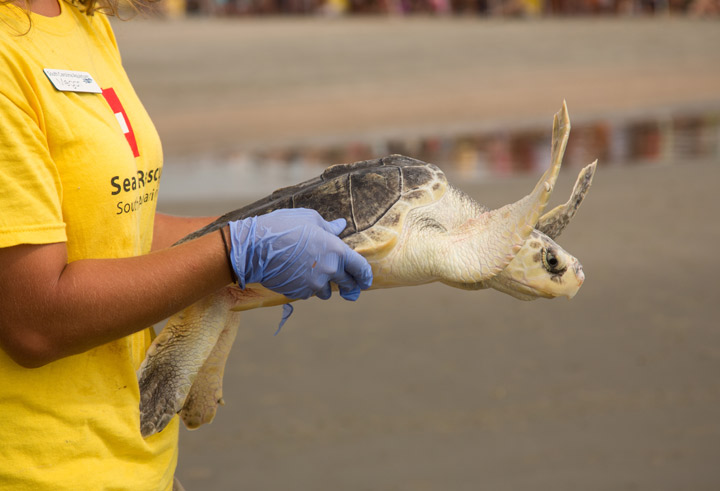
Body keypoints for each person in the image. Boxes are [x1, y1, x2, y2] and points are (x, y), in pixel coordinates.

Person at [0, 0, 373, 489]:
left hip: (139, 457)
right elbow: (35, 322)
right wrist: (232, 251)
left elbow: (114, 228)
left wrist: (257, 226)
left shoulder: (81, 17)